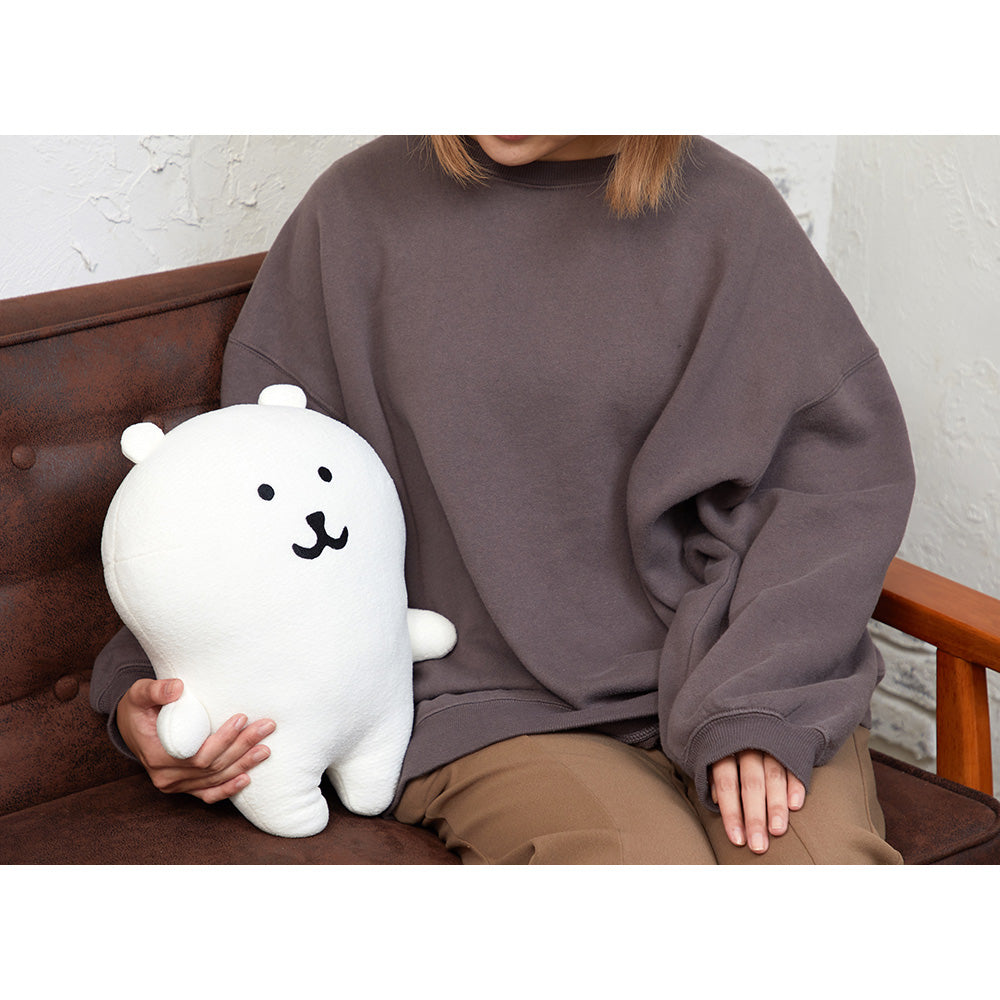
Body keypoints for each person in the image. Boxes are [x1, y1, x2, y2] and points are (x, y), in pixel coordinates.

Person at [91, 135, 915, 864]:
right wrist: (153, 685)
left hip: (738, 670)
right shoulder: (354, 216)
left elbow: (828, 487)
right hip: (479, 704)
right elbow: (243, 502)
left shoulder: (731, 217)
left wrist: (760, 702)